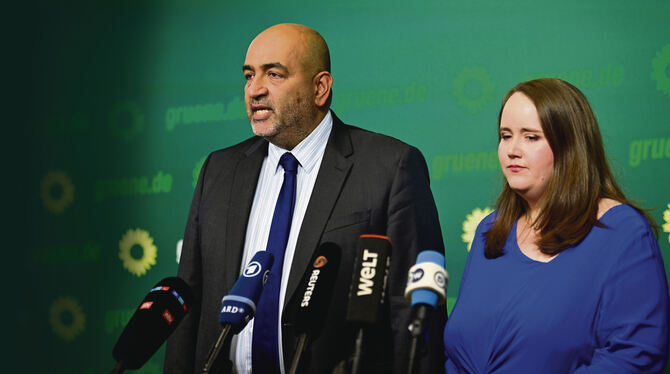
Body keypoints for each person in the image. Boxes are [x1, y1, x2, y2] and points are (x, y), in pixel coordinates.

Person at [164, 23, 446, 374]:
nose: (255, 90)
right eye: (249, 76)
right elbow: (188, 302)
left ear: (320, 88)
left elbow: (414, 315)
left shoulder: (389, 168)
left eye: (274, 74)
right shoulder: (218, 172)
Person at [443, 78, 670, 373]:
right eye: (505, 135)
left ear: (569, 146)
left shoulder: (622, 231)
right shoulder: (490, 229)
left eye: (531, 137)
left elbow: (634, 356)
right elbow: (458, 354)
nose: (512, 149)